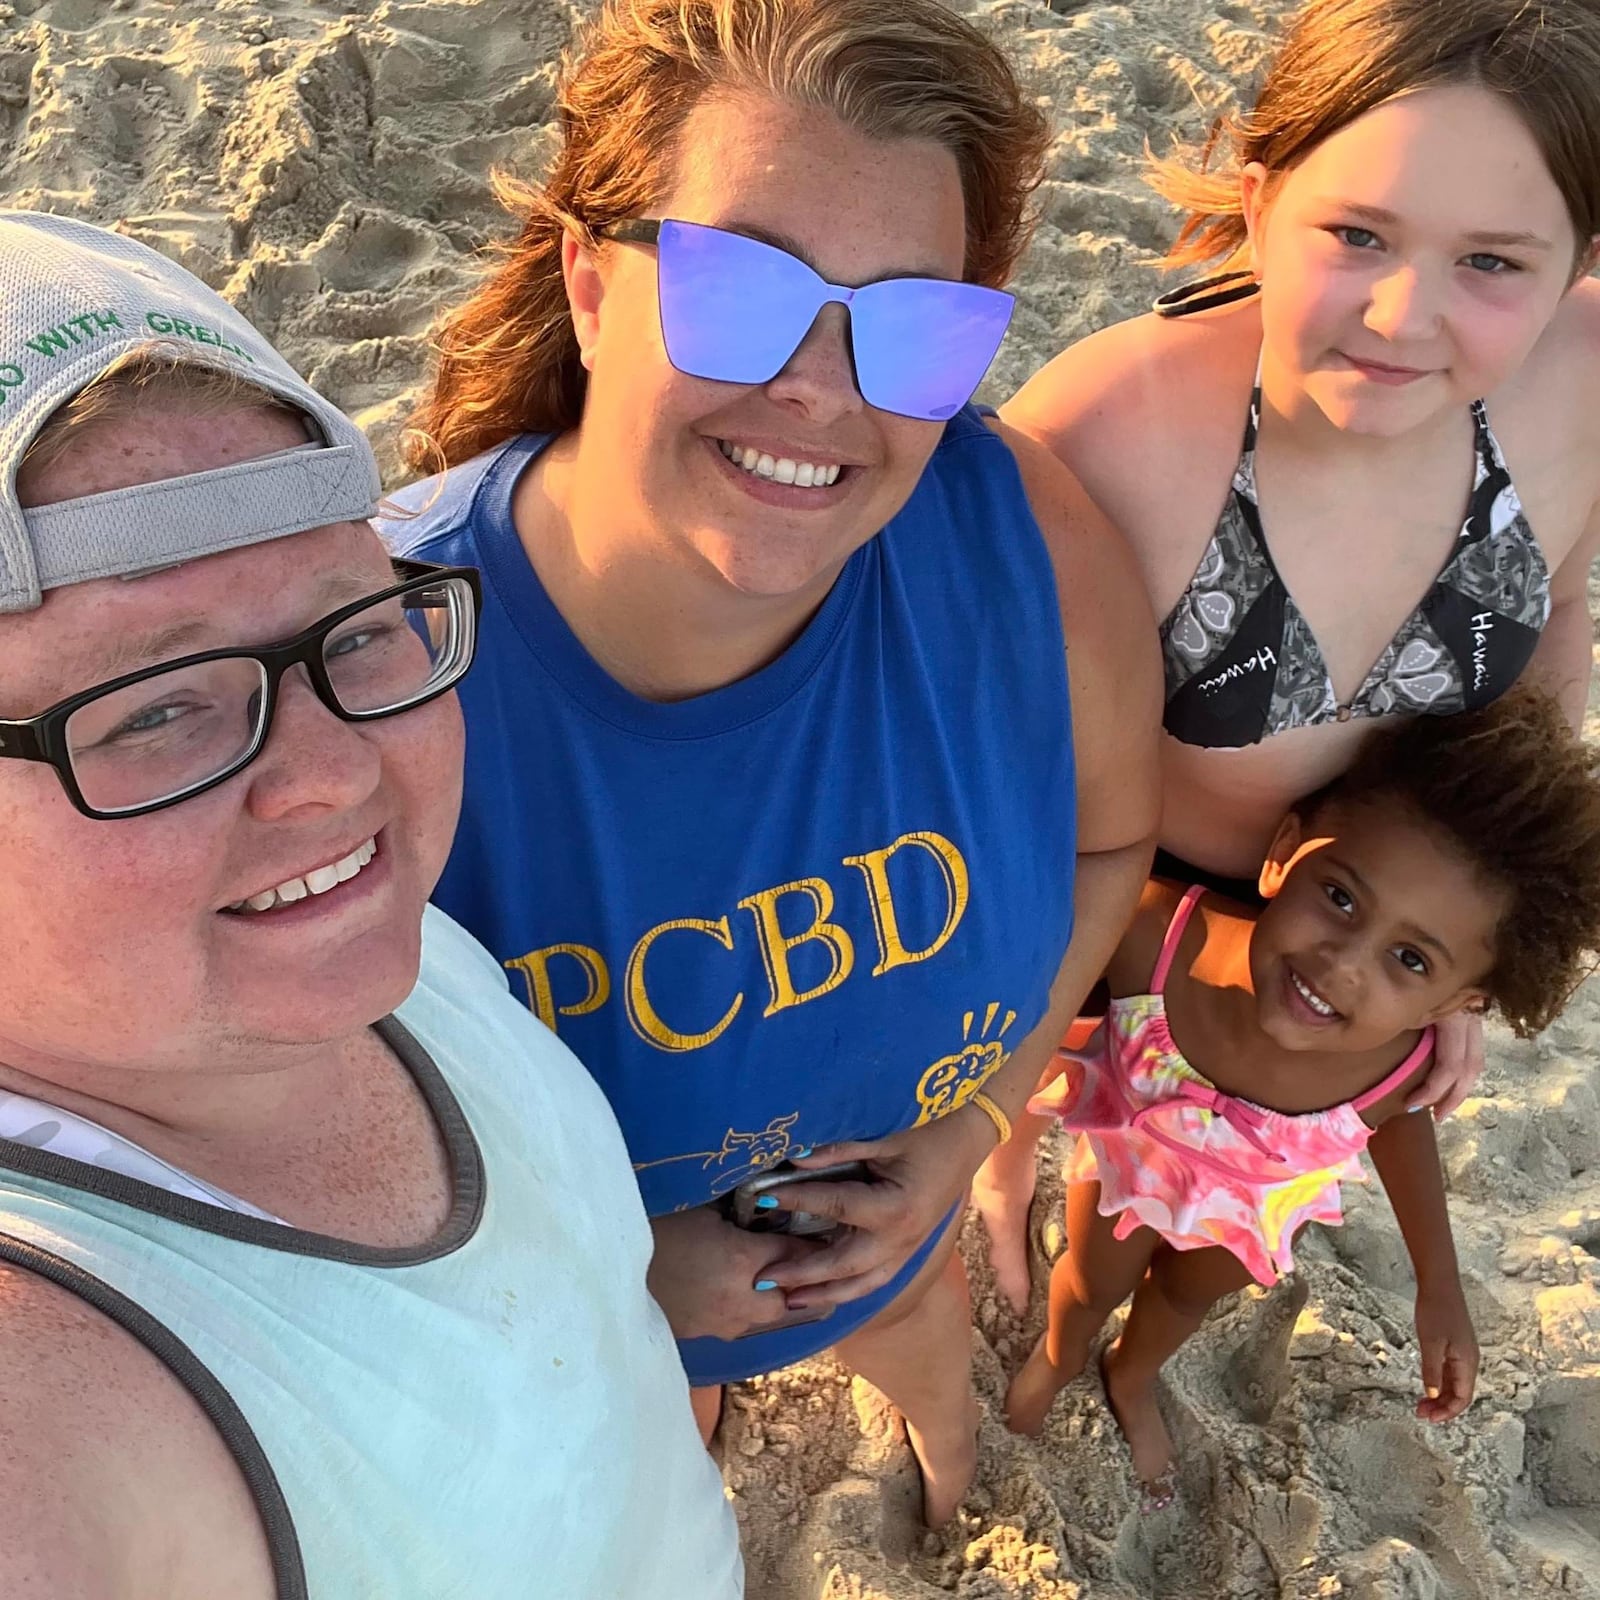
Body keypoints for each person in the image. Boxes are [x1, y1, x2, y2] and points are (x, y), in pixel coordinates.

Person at [381, 0, 1161, 1525]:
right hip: (582, 1326)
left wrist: (965, 1136)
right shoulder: (379, 689)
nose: (821, 388)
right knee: (664, 1462)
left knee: (930, 1371)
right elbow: (256, 1154)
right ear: (591, 289)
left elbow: (1104, 853)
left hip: (900, 1246)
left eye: (913, 325)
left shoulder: (1019, 543)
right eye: (739, 290)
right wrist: (617, 1257)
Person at [0, 212, 743, 1599]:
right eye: (157, 707)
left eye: (354, 625)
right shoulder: (51, 1420)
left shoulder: (355, 947)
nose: (337, 773)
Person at [982, 0, 1600, 1310]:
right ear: (1262, 205)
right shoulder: (1105, 434)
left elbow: (1553, 621)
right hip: (1119, 899)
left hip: (1365, 925)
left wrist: (1472, 956)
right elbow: (978, 778)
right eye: (1357, 233)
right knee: (1064, 1118)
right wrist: (993, 1094)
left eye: (1495, 262)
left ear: (1577, 262)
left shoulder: (1586, 380)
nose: (1402, 313)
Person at [1002, 684, 1600, 1513]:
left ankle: (1131, 1376)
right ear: (1284, 852)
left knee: (1183, 1299)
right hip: (1130, 1169)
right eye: (1342, 897)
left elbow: (1399, 1129)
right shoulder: (1156, 934)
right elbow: (1029, 993)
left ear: (1454, 1009)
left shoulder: (1396, 1061)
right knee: (1090, 1282)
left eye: (1412, 961)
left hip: (1250, 1207)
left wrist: (1440, 1283)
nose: (1343, 962)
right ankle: (1061, 1358)